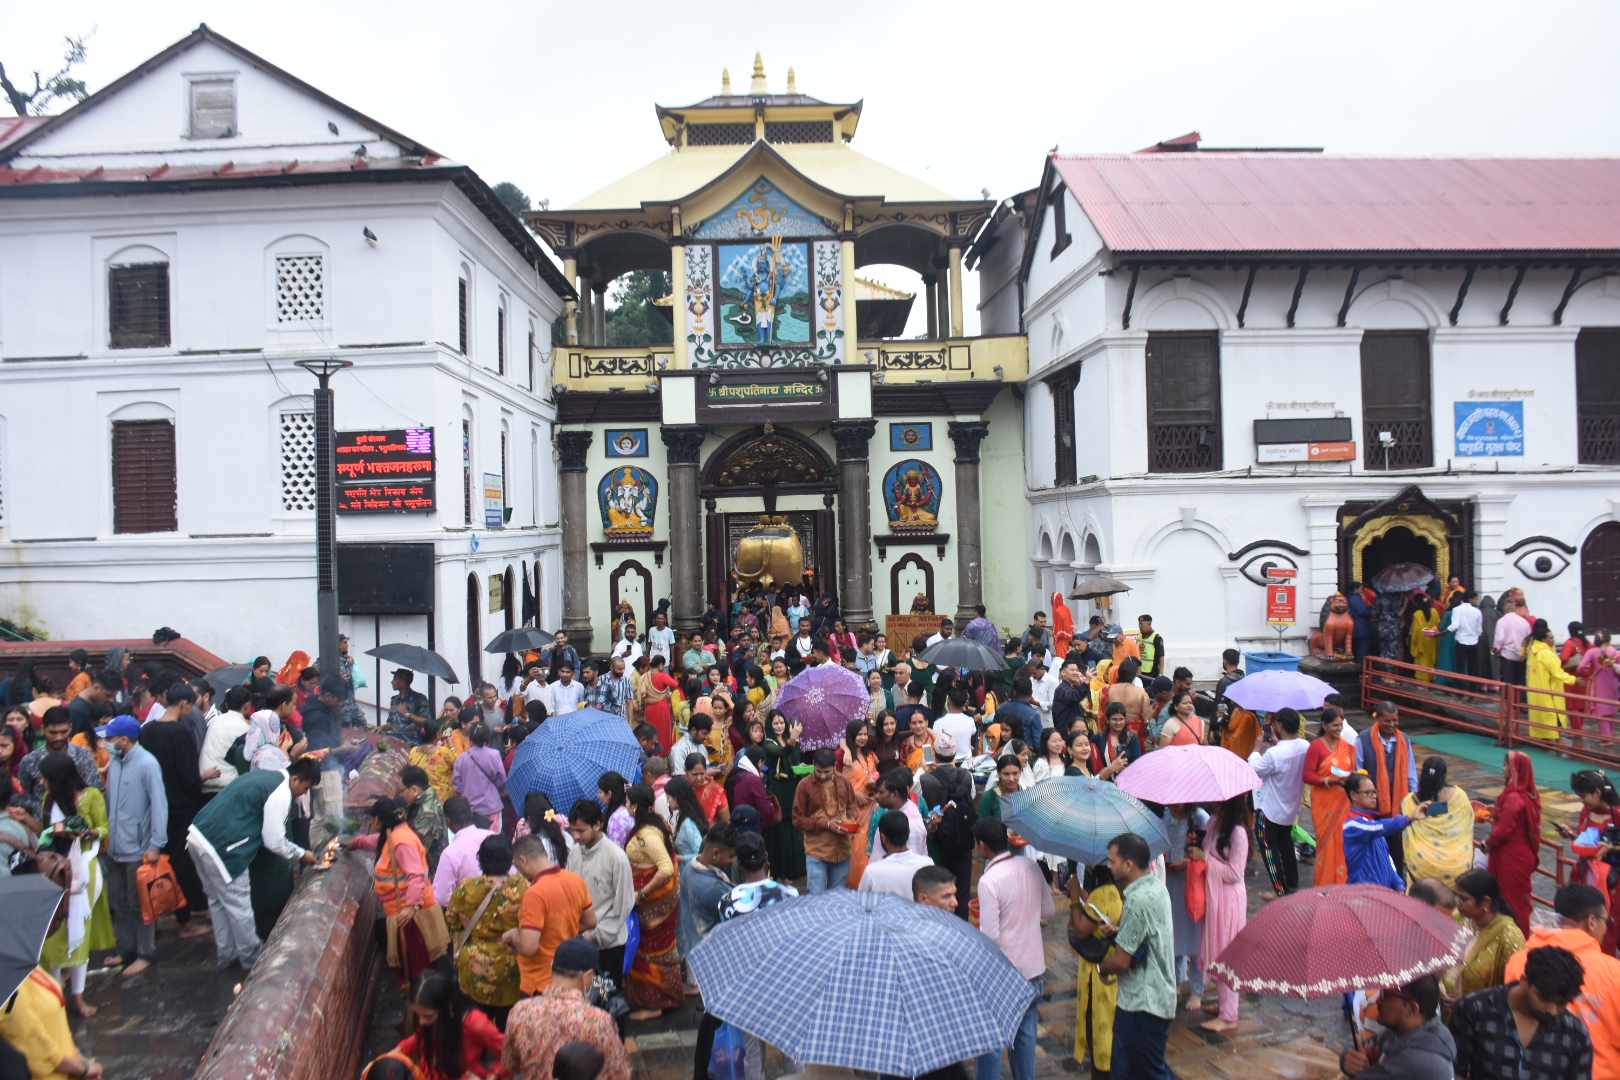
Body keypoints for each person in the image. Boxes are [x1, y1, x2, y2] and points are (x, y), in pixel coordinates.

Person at [187, 757, 320, 970]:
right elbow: (274, 841)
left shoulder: (264, 776)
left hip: (198, 836)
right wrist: (302, 854)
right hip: (223, 847)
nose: (303, 794)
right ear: (296, 779)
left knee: (217, 901)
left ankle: (227, 955)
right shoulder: (281, 791)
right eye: (305, 788)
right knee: (239, 905)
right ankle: (252, 961)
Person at [22, 753, 114, 1016]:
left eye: (46, 778)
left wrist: (86, 832)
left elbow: (105, 828)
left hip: (84, 871)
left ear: (59, 778)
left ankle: (78, 996)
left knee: (78, 933)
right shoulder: (48, 799)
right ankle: (57, 994)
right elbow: (44, 831)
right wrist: (27, 820)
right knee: (52, 934)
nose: (42, 782)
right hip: (54, 872)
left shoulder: (91, 796)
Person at [1503, 883, 1620, 1080]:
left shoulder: (1519, 961)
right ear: (1592, 921)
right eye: (1606, 921)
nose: (1606, 928)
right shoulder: (1613, 972)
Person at [973, 819, 1051, 1080]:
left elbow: (990, 937)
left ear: (982, 846)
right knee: (1026, 1039)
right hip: (1033, 969)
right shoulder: (1030, 866)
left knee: (992, 1042)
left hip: (1003, 975)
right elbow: (1049, 909)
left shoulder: (989, 880)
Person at [1098, 832, 1177, 1079]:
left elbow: (1122, 961)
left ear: (1128, 864)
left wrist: (1102, 968)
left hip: (1142, 1003)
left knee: (1145, 1072)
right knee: (1146, 1068)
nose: (1109, 866)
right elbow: (1149, 932)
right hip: (1158, 996)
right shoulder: (1156, 886)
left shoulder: (1137, 900)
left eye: (1112, 861)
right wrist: (1120, 930)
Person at [1449, 946, 1592, 1079]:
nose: (1552, 1011)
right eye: (1544, 999)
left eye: (1561, 1004)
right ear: (1524, 981)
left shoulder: (1575, 1034)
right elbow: (1455, 1071)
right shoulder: (1475, 1010)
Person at [503, 937, 632, 1080]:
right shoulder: (599, 1021)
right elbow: (619, 1073)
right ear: (588, 976)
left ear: (552, 965)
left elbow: (510, 1064)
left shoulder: (520, 1011)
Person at [101, 713, 167, 977]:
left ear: (124, 740)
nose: (106, 743)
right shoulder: (115, 763)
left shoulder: (147, 764)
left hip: (138, 848)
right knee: (118, 901)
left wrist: (155, 844)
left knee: (140, 904)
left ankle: (145, 953)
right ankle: (126, 950)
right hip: (115, 846)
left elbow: (159, 805)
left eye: (110, 739)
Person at [444, 834, 527, 1022]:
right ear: (510, 860)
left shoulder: (467, 887)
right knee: (505, 1024)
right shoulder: (522, 888)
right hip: (510, 966)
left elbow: (452, 921)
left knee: (476, 1024)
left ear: (480, 860)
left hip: (474, 966)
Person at [506, 833, 595, 996]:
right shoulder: (575, 880)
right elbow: (591, 921)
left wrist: (513, 935)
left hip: (540, 982)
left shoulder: (535, 893)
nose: (519, 873)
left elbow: (529, 947)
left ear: (523, 860)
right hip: (569, 978)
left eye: (517, 866)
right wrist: (564, 929)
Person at [682, 825, 738, 1080]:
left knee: (712, 1016)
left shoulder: (692, 867)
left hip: (700, 950)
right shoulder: (711, 888)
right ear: (716, 853)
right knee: (714, 1019)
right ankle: (705, 1072)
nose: (732, 861)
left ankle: (702, 1071)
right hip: (713, 957)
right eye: (730, 856)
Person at [566, 799, 635, 1006]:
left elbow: (624, 905)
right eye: (572, 831)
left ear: (598, 824)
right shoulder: (575, 853)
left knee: (607, 1000)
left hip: (608, 945)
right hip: (581, 940)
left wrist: (595, 934)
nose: (576, 837)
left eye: (581, 831)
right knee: (585, 1000)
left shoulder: (616, 858)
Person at [623, 783, 682, 1018]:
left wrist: (643, 894)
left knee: (651, 952)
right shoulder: (653, 825)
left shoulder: (647, 835)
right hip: (651, 903)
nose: (626, 807)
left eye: (628, 803)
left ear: (636, 806)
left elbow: (666, 868)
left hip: (654, 906)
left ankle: (656, 1003)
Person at [1195, 795, 1249, 1033]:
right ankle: (1223, 1005)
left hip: (1229, 901)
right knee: (1215, 950)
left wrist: (1205, 860)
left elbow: (1235, 873)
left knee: (1227, 953)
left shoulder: (1238, 833)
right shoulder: (1214, 822)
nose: (1214, 803)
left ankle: (1229, 1015)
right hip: (1214, 896)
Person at [1339, 974, 1456, 1079]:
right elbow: (1362, 1047)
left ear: (1411, 1008)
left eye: (1385, 995)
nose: (1378, 1000)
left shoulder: (1415, 1061)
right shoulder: (1398, 1032)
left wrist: (1362, 1070)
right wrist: (1349, 1059)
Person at [0, 966, 103, 1079]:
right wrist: (82, 1069)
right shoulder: (6, 984)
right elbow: (30, 1039)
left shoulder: (22, 965)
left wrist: (76, 1055)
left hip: (69, 1065)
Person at [1247, 707, 1308, 895]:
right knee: (1286, 845)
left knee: (1269, 851)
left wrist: (1256, 749)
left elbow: (1254, 770)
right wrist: (1276, 744)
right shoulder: (1305, 746)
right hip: (1290, 808)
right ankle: (1292, 883)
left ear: (1280, 726)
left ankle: (1279, 890)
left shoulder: (1274, 754)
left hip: (1269, 810)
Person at [1356, 701, 1418, 878]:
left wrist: (1414, 797)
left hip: (1398, 805)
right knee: (1375, 848)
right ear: (1377, 719)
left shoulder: (1404, 740)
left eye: (1395, 720)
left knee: (1397, 850)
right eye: (1387, 721)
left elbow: (1411, 772)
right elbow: (1358, 770)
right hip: (1373, 806)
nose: (1391, 724)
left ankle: (1397, 882)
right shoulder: (1363, 739)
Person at [1446, 868, 1526, 1001]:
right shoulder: (1459, 918)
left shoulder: (1510, 936)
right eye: (1456, 896)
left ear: (1485, 902)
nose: (1457, 903)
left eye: (1463, 899)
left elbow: (1515, 987)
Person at [1345, 772, 1432, 891]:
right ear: (1354, 795)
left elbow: (1387, 859)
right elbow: (1379, 827)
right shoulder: (1352, 825)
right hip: (1363, 894)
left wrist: (1398, 884)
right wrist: (1409, 818)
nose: (1374, 796)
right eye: (1368, 793)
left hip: (1383, 892)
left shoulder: (1373, 824)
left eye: (1374, 792)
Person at [1485, 751, 1542, 935]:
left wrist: (1487, 843)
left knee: (1511, 901)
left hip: (1510, 858)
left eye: (1506, 765)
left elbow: (1503, 829)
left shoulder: (1513, 797)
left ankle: (1515, 939)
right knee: (1519, 899)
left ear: (1514, 769)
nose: (1504, 769)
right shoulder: (1530, 795)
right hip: (1521, 855)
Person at [792, 747, 858, 893]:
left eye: (827, 772)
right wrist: (826, 824)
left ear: (834, 766)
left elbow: (852, 807)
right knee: (817, 898)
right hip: (817, 851)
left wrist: (850, 822)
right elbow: (797, 819)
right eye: (819, 771)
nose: (822, 776)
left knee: (838, 898)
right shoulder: (804, 785)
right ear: (813, 765)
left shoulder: (844, 782)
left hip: (842, 849)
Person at [1401, 756, 1475, 887]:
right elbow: (1466, 823)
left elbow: (1405, 826)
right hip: (1457, 865)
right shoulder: (1459, 796)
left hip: (1422, 865)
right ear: (1444, 776)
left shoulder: (1409, 801)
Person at [1304, 705, 1357, 886]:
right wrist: (1327, 781)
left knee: (1343, 842)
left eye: (1340, 725)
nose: (1339, 729)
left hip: (1344, 803)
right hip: (1324, 803)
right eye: (1335, 725)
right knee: (1326, 844)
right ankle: (1324, 883)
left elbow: (1353, 772)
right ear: (1324, 726)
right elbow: (1307, 775)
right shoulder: (1316, 747)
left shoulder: (1348, 747)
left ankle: (1342, 883)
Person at [16, 707, 100, 817]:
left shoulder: (83, 756)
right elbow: (26, 793)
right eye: (53, 733)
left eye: (64, 732)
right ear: (43, 729)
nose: (58, 737)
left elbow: (94, 788)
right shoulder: (30, 760)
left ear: (70, 728)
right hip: (43, 821)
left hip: (79, 819)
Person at [432, 795, 495, 902]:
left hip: (470, 909)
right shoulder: (493, 836)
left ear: (448, 821)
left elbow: (441, 897)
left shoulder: (450, 853)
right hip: (503, 905)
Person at [859, 810, 934, 899]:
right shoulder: (927, 864)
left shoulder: (872, 871)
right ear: (908, 833)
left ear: (883, 837)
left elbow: (860, 902)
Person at [1525, 619, 1578, 740]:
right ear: (1544, 639)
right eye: (1551, 638)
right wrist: (1574, 680)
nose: (1553, 640)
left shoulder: (1532, 648)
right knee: (1552, 719)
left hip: (1534, 690)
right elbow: (1558, 673)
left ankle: (1544, 739)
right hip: (1549, 692)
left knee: (1540, 717)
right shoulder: (1547, 653)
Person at [453, 723, 508, 834]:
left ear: (470, 739)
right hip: (491, 806)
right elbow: (501, 780)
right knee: (492, 839)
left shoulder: (461, 758)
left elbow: (457, 785)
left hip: (470, 809)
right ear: (487, 738)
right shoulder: (494, 755)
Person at [931, 687, 977, 763]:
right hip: (966, 763)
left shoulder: (938, 723)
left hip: (945, 762)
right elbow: (973, 733)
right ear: (964, 703)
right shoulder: (970, 721)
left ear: (949, 701)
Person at [1492, 598, 1533, 685]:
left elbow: (1499, 639)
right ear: (1514, 608)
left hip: (1507, 656)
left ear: (1504, 609)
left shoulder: (1501, 621)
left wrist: (1495, 651)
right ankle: (1521, 694)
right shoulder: (1524, 621)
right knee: (1521, 682)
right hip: (1522, 656)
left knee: (1509, 683)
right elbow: (1529, 638)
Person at [1051, 660, 1090, 741]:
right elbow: (1073, 697)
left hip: (1073, 732)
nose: (1075, 673)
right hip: (1066, 734)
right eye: (1072, 670)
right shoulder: (1061, 689)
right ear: (1063, 673)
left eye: (1077, 670)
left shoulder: (1072, 687)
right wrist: (1085, 683)